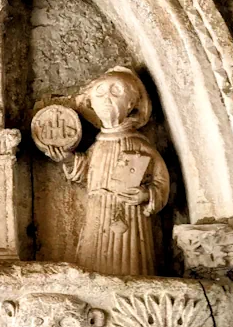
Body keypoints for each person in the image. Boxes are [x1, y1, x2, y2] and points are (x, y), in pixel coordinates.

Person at [60, 67, 170, 277]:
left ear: (131, 103)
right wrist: (66, 158)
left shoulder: (141, 145)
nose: (107, 99)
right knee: (94, 264)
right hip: (98, 211)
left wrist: (146, 194)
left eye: (116, 92)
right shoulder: (98, 145)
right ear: (91, 102)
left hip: (129, 215)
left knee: (130, 265)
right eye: (100, 93)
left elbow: (161, 181)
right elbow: (85, 171)